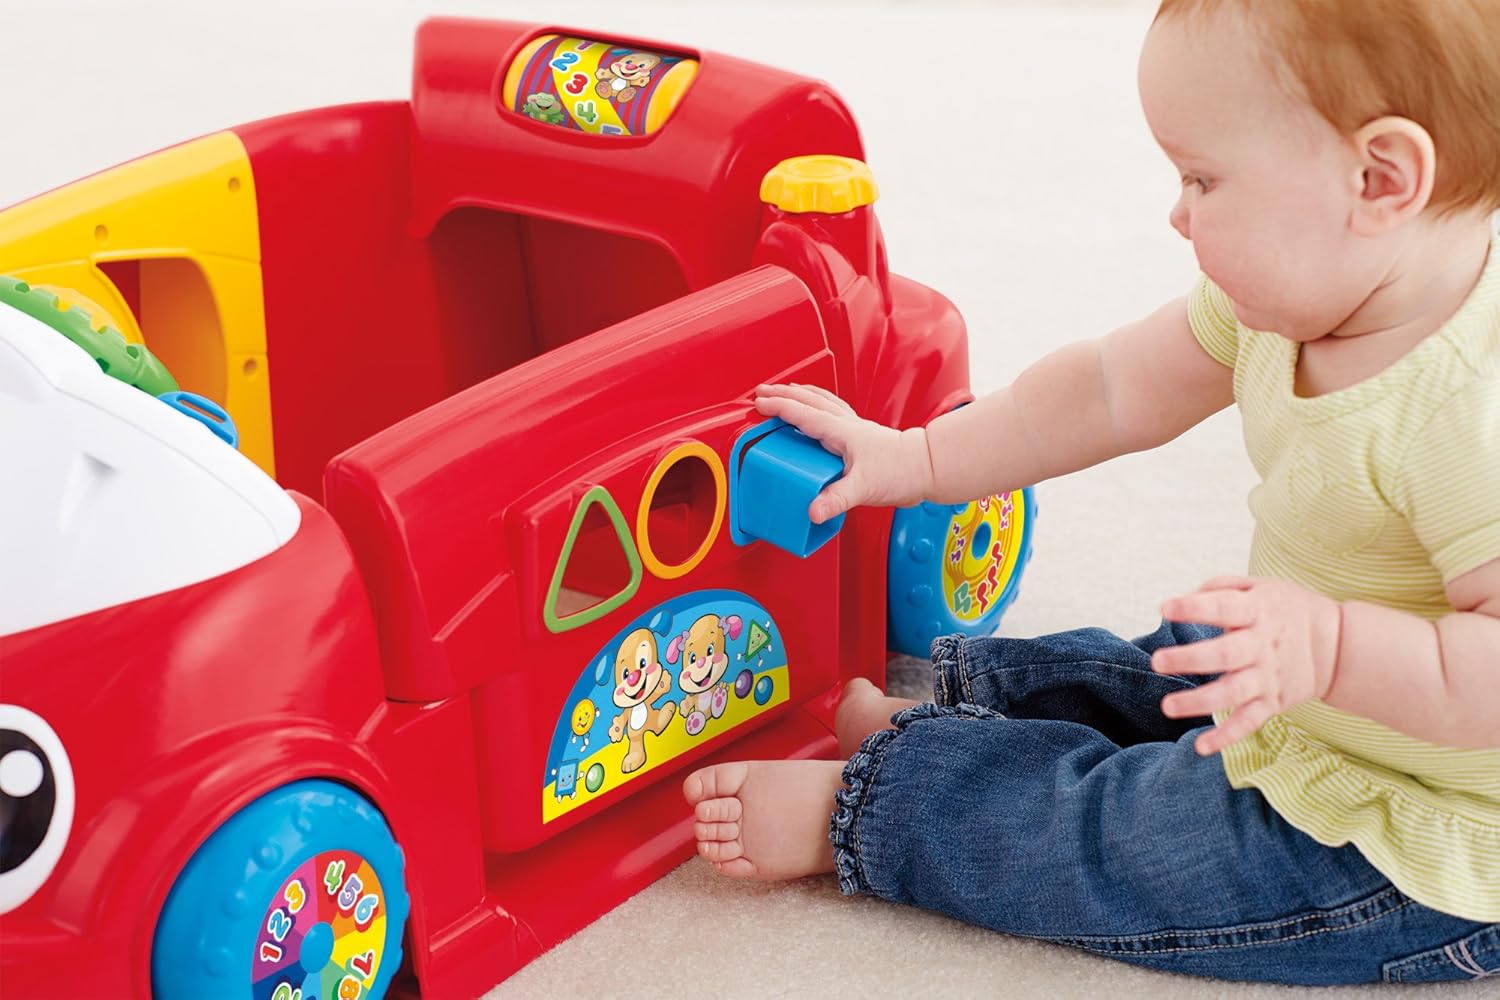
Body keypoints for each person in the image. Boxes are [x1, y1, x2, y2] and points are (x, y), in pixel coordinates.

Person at [683, 0, 1500, 984]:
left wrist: (1330, 647)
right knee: (1152, 663)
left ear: (1379, 180)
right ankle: (962, 721)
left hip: (1419, 836)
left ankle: (880, 807)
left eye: (1203, 178)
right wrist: (917, 459)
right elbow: (1112, 388)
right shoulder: (1311, 291)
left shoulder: (1472, 414)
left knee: (1129, 834)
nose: (1178, 213)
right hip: (1294, 694)